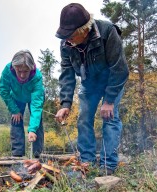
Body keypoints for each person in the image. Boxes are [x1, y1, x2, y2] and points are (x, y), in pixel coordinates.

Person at [55, 3, 129, 175]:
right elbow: (66, 74)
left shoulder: (108, 32)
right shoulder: (66, 44)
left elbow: (120, 69)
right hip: (89, 84)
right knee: (83, 118)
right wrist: (65, 103)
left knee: (110, 118)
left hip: (112, 82)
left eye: (71, 35)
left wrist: (109, 100)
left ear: (83, 30)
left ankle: (107, 165)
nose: (67, 40)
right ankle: (87, 162)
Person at [0, 49, 45, 158]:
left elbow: (36, 106)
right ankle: (17, 154)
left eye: (26, 71)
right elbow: (4, 91)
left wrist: (32, 129)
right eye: (19, 71)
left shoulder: (37, 77)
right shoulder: (7, 71)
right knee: (16, 120)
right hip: (15, 97)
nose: (22, 75)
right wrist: (14, 110)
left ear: (31, 68)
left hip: (33, 98)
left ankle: (37, 154)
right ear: (14, 67)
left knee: (36, 121)